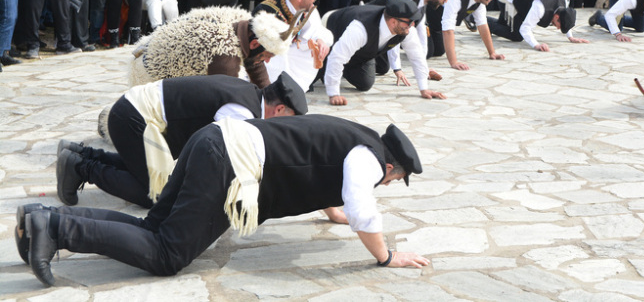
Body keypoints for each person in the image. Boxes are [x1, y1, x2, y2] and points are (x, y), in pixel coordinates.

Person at [19, 116, 429, 286]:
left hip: (216, 139)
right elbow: (363, 209)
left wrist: (331, 211)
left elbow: (316, 163)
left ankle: (42, 217)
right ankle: (55, 229)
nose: (389, 183)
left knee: (153, 228)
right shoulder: (369, 161)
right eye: (396, 178)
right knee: (167, 254)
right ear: (390, 166)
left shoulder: (359, 139)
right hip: (231, 164)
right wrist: (386, 256)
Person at [55, 72, 306, 209]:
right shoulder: (241, 112)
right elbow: (216, 153)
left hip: (137, 113)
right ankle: (80, 167)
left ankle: (80, 154)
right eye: (290, 120)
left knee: (152, 172)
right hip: (133, 118)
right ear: (279, 109)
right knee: (156, 195)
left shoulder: (247, 92)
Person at [129, 7, 294, 89]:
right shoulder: (225, 53)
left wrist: (270, 97)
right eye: (268, 55)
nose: (267, 60)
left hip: (155, 50)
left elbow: (256, 66)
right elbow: (226, 99)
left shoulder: (247, 25)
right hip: (148, 73)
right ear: (255, 44)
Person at [323, 0, 446, 104]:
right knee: (325, 66)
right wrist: (334, 93)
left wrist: (424, 88)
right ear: (393, 21)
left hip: (363, 50)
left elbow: (417, 57)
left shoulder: (407, 29)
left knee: (365, 83)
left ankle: (341, 68)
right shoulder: (360, 28)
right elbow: (337, 56)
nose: (413, 25)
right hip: (332, 27)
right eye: (410, 21)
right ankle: (325, 68)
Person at [255, 0, 333, 93]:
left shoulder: (306, 6)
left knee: (315, 47)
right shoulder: (266, 13)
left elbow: (316, 29)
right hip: (266, 63)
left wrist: (321, 40)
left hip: (287, 54)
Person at [370, 0, 453, 79]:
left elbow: (421, 34)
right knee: (368, 79)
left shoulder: (422, 1)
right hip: (368, 30)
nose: (446, 1)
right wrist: (397, 68)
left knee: (382, 67)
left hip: (382, 36)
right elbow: (394, 32)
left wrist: (423, 68)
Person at [488, 0, 588, 51]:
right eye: (559, 26)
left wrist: (571, 37)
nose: (557, 28)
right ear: (557, 17)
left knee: (504, 25)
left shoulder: (564, 2)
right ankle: (483, 22)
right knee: (516, 35)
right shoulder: (540, 8)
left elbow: (566, 17)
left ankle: (490, 23)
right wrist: (536, 45)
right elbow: (525, 28)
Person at [440, 0, 506, 69]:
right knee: (428, 51)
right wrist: (454, 62)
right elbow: (448, 30)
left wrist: (492, 53)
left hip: (438, 24)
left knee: (438, 50)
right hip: (424, 18)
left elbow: (482, 24)